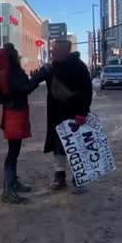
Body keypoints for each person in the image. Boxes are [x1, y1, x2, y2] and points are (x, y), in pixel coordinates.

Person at [0, 44, 44, 203]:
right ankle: (8, 190)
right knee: (13, 153)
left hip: (12, 113)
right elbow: (26, 88)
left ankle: (13, 182)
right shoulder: (10, 73)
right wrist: (40, 75)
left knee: (14, 152)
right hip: (15, 114)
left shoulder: (3, 73)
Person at [43, 40, 93, 189]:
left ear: (64, 51)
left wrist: (82, 112)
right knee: (58, 146)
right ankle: (60, 176)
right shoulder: (53, 67)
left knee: (76, 145)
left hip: (74, 113)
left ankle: (79, 175)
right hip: (56, 114)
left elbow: (87, 91)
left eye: (55, 50)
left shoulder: (79, 66)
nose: (52, 52)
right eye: (52, 50)